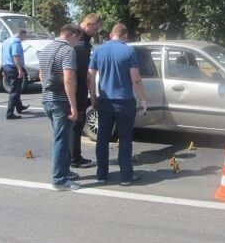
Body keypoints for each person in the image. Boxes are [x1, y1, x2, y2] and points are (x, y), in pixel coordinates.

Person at [88, 23, 147, 186]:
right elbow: (135, 78)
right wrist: (143, 99)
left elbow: (91, 77)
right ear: (125, 35)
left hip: (105, 101)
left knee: (102, 139)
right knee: (125, 139)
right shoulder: (128, 50)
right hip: (125, 102)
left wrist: (93, 97)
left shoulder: (98, 50)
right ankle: (126, 177)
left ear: (111, 34)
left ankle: (101, 175)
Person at [39, 24, 83, 191]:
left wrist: (46, 93)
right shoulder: (68, 51)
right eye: (77, 38)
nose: (77, 42)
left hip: (47, 100)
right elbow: (68, 78)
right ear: (72, 35)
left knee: (60, 138)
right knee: (62, 141)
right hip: (61, 102)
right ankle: (59, 180)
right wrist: (73, 105)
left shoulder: (47, 48)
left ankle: (65, 171)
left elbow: (42, 75)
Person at [70, 12, 102, 169]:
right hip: (78, 89)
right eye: (95, 29)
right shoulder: (80, 43)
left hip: (75, 88)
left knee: (75, 124)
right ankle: (74, 158)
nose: (95, 33)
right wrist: (93, 95)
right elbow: (86, 74)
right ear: (88, 24)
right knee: (77, 123)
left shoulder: (77, 37)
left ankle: (73, 157)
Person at [1, 28, 29, 120]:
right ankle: (9, 113)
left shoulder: (6, 41)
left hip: (6, 66)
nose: (26, 38)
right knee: (14, 90)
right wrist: (19, 69)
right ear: (22, 34)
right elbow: (15, 56)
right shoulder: (16, 42)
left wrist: (4, 69)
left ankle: (19, 107)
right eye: (26, 36)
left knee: (16, 89)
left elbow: (3, 55)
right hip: (13, 68)